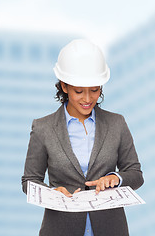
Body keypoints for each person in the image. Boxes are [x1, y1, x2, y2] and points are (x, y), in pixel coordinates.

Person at [21, 39, 144, 236]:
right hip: (60, 229)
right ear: (64, 86)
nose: (87, 99)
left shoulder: (117, 123)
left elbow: (135, 174)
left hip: (110, 229)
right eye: (79, 91)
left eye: (94, 90)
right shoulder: (43, 128)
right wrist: (52, 194)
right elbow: (29, 181)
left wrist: (115, 178)